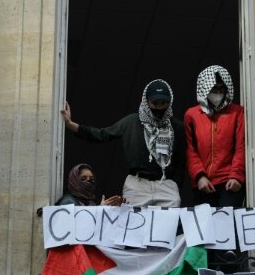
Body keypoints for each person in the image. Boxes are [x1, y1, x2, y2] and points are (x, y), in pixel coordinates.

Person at [61, 79, 186, 207]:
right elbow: (102, 135)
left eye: (163, 103)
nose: (159, 107)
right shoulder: (131, 122)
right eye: (155, 103)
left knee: (170, 224)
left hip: (166, 185)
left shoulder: (177, 127)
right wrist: (71, 125)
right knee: (134, 225)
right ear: (146, 102)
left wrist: (175, 182)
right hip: (137, 185)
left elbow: (182, 160)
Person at [184, 65, 245, 208]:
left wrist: (236, 176)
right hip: (203, 184)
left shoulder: (237, 112)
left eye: (221, 89)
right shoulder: (191, 115)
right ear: (205, 88)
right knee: (205, 228)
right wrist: (199, 176)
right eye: (214, 89)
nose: (218, 93)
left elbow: (241, 146)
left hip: (229, 182)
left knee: (226, 226)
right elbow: (190, 149)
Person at [55, 163, 124, 206]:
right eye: (83, 178)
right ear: (74, 181)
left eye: (91, 179)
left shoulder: (90, 203)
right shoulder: (67, 202)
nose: (88, 182)